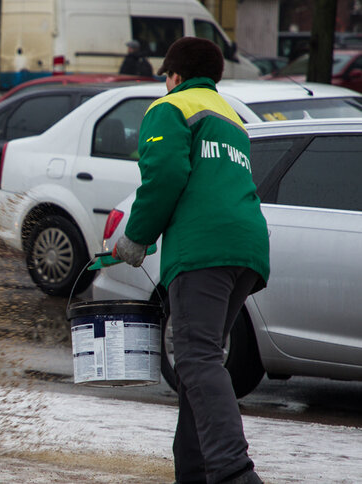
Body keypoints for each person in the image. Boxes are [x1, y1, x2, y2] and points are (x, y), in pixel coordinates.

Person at [112, 37, 270, 484]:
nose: (164, 84)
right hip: (248, 249)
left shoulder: (171, 107)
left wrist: (135, 238)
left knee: (196, 359)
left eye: (165, 77)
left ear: (175, 76)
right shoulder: (231, 118)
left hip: (203, 248)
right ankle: (195, 471)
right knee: (202, 363)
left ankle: (233, 472)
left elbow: (165, 174)